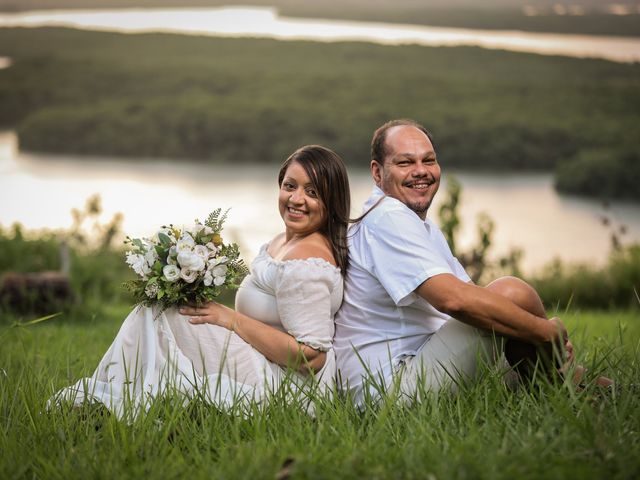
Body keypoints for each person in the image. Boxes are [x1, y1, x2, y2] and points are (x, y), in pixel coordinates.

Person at [50, 145, 351, 418]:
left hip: (287, 385)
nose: (297, 199)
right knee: (161, 309)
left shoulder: (307, 260)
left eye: (312, 192)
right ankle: (115, 397)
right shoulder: (284, 241)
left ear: (331, 200)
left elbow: (310, 358)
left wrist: (230, 319)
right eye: (290, 186)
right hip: (263, 358)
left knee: (160, 313)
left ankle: (110, 402)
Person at [334, 119, 606, 407]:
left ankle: (576, 385)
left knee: (512, 325)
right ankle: (568, 387)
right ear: (378, 172)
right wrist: (544, 332)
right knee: (511, 294)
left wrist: (531, 335)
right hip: (391, 389)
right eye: (405, 162)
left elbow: (475, 298)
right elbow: (455, 301)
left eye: (429, 160)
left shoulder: (413, 223)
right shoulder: (387, 218)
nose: (421, 171)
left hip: (421, 361)